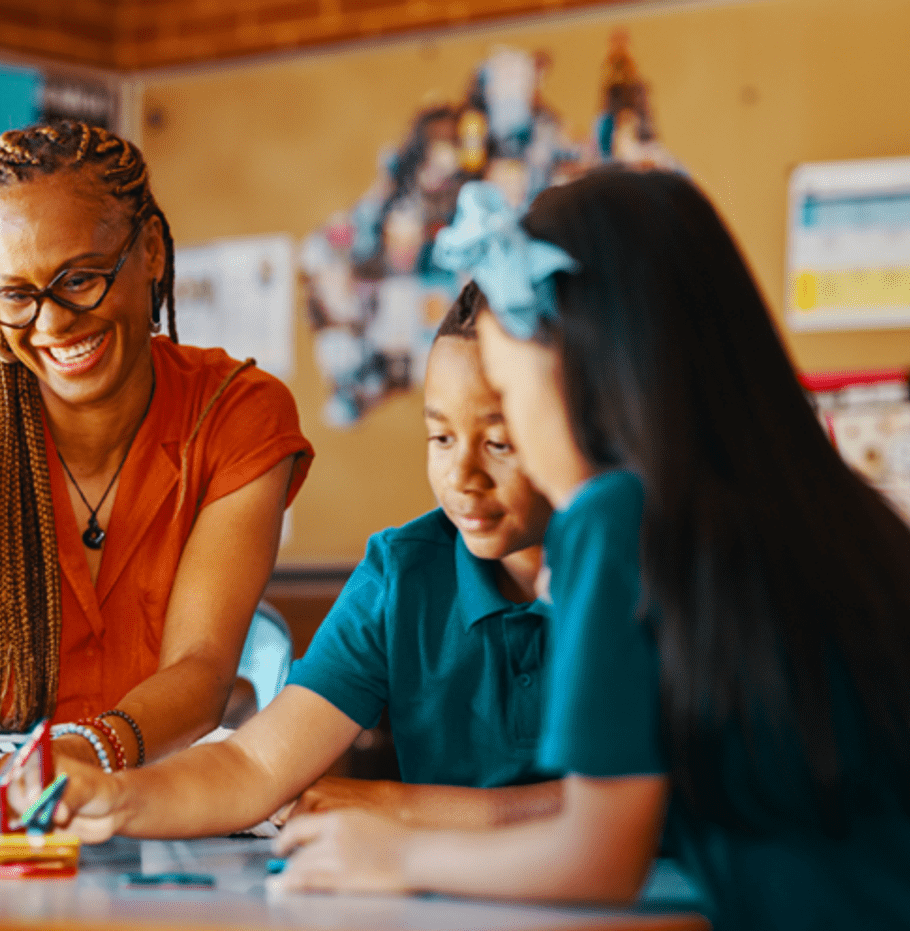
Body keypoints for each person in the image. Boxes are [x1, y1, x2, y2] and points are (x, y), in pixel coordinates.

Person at [271, 174, 910, 930]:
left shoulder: (614, 519)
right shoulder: (843, 513)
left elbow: (597, 854)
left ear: (589, 370)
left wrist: (391, 857)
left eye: (510, 401)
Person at [0, 119, 313, 825]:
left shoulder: (236, 415)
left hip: (153, 765)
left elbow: (201, 668)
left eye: (80, 279)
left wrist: (85, 750)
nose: (53, 323)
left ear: (151, 251)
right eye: (17, 294)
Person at [49, 283, 564, 840]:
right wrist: (113, 796)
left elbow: (631, 812)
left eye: (499, 444)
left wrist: (397, 804)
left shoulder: (641, 576)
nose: (462, 477)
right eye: (440, 437)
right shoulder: (402, 576)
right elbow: (254, 767)